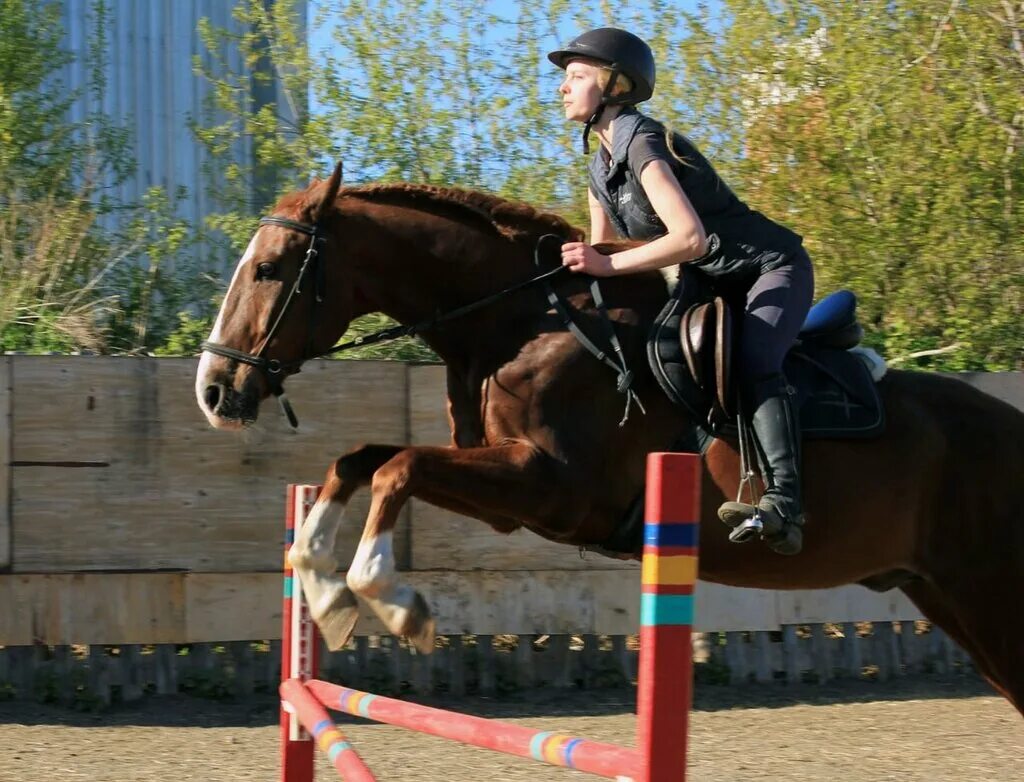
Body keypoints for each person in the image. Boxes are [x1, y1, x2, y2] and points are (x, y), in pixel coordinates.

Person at [548, 27, 814, 556]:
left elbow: (689, 239)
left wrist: (605, 261)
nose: (563, 87)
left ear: (615, 86)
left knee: (753, 359)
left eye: (576, 76)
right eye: (565, 78)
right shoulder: (599, 167)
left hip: (767, 269)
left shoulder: (644, 142)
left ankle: (786, 503)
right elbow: (607, 258)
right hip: (708, 283)